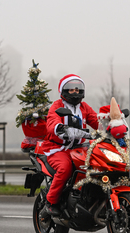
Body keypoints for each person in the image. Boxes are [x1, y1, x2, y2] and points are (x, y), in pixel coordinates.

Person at [41, 74, 99, 216]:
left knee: (95, 165)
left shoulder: (84, 107)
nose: (75, 92)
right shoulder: (57, 105)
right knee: (65, 168)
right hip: (57, 148)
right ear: (63, 90)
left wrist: (112, 127)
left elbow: (96, 121)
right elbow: (51, 122)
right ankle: (50, 202)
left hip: (79, 148)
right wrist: (60, 128)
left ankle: (87, 198)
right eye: (71, 89)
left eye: (78, 89)